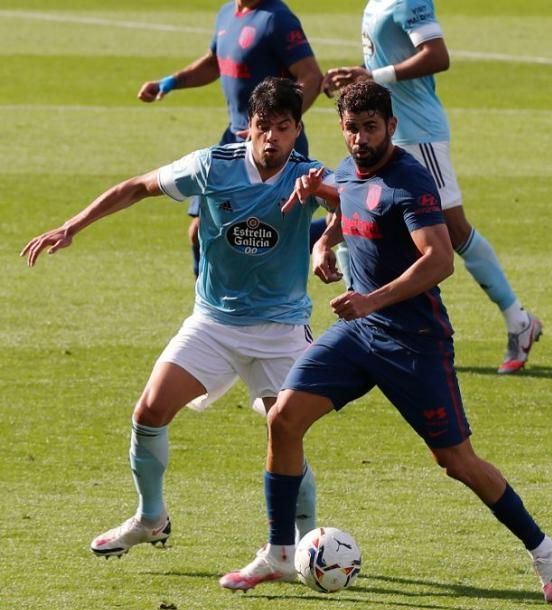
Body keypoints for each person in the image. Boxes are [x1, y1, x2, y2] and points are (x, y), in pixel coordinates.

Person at [220, 81, 552, 604]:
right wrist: (324, 241)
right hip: (360, 334)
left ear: (392, 126)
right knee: (283, 418)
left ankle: (545, 551)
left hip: (414, 342)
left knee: (456, 461)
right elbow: (352, 205)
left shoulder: (411, 181)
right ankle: (278, 552)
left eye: (371, 128)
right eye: (352, 128)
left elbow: (440, 258)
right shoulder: (345, 169)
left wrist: (371, 299)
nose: (360, 138)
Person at [21, 78, 336, 558]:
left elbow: (354, 209)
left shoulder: (309, 175)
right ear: (247, 128)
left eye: (284, 128)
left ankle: (305, 541)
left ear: (298, 129)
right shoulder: (212, 165)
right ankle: (151, 518)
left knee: (284, 429)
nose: (272, 138)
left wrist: (324, 239)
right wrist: (72, 226)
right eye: (263, 127)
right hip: (213, 323)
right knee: (149, 412)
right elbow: (137, 188)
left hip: (281, 329)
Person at [322, 0, 541, 374]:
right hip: (387, 134)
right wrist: (362, 76)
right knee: (353, 211)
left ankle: (519, 320)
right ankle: (360, 320)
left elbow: (436, 56)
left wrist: (376, 76)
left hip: (418, 133)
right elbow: (383, 64)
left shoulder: (411, 1)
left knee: (454, 231)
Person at [138, 0, 323, 277]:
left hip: (272, 147)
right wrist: (171, 81)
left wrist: (273, 126)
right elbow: (215, 62)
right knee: (201, 231)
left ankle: (337, 233)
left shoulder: (277, 20)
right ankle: (211, 305)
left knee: (268, 235)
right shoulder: (228, 13)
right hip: (233, 142)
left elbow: (311, 76)